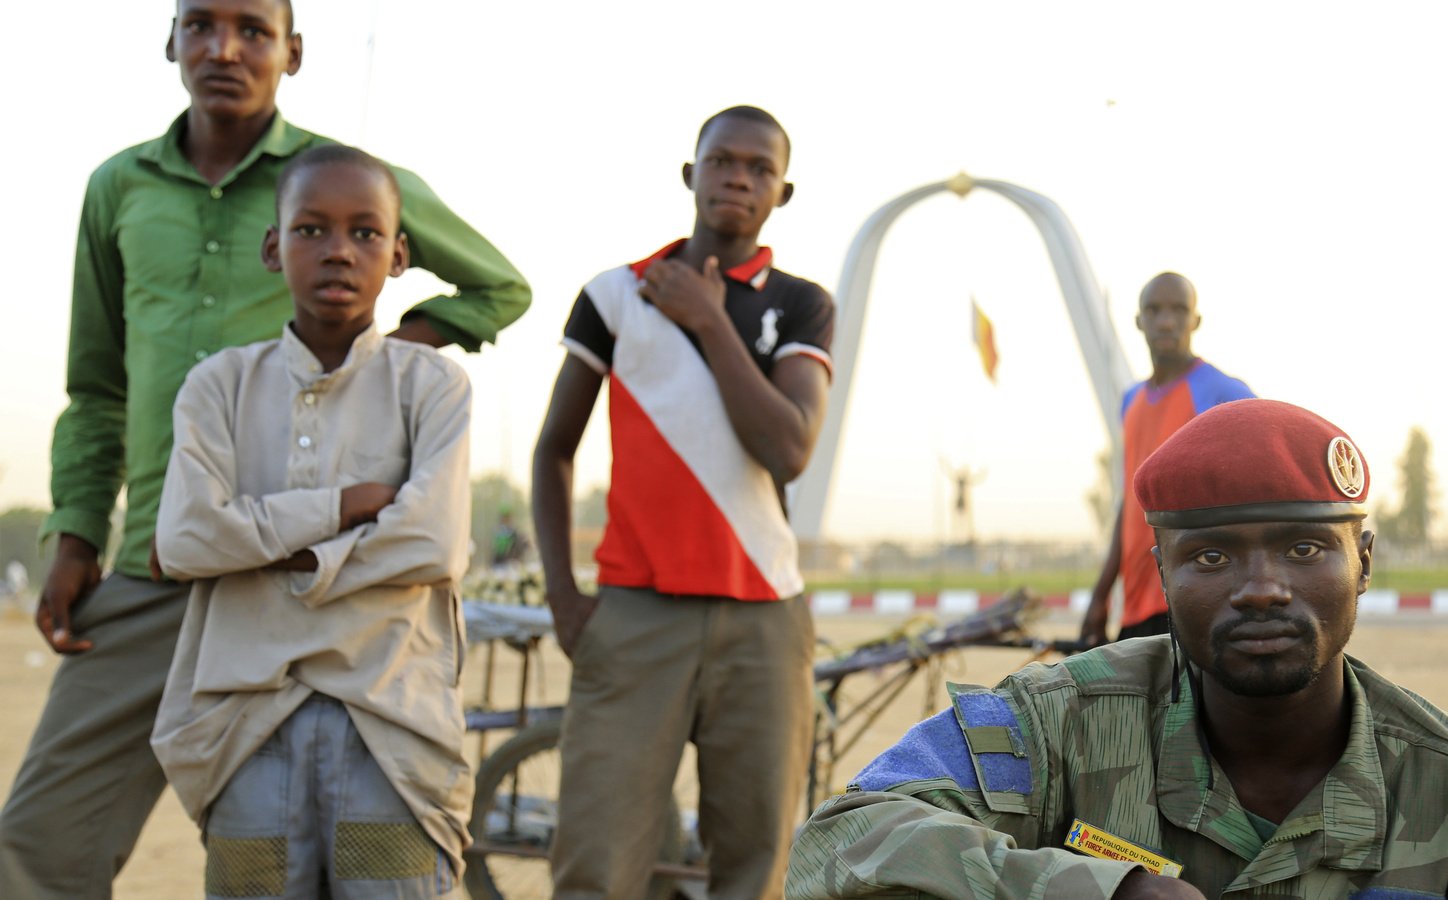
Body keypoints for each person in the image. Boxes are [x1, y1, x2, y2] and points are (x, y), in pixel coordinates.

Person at [1, 1, 529, 895]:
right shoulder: (118, 187)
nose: (224, 48)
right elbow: (96, 388)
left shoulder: (343, 181)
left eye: (253, 28)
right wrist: (77, 532)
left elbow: (497, 286)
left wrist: (384, 360)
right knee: (39, 845)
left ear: (293, 51)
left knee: (332, 856)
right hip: (158, 562)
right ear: (169, 40)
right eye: (201, 24)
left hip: (321, 590)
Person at [788, 399, 1448, 899]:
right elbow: (839, 840)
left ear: (1363, 562)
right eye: (1212, 556)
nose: (1261, 587)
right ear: (1161, 571)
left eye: (1304, 550)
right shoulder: (1061, 724)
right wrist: (1100, 892)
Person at [150, 144, 472, 896]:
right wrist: (337, 510)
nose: (338, 251)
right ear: (273, 247)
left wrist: (264, 546)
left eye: (365, 234)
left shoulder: (429, 386)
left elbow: (431, 541)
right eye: (311, 230)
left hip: (389, 725)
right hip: (245, 727)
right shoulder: (219, 386)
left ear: (398, 256)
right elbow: (186, 538)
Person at [532, 105, 834, 899]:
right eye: (722, 160)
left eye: (759, 168)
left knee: (754, 862)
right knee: (594, 861)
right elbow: (553, 451)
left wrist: (707, 319)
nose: (738, 177)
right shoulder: (615, 295)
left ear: (783, 191)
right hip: (636, 613)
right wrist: (564, 598)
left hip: (765, 616)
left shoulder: (801, 306)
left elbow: (789, 448)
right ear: (690, 174)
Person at [1081, 272, 1253, 645]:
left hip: (1195, 600)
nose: (1167, 320)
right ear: (1139, 321)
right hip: (1136, 605)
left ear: (1196, 320)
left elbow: (1255, 496)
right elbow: (1130, 503)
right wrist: (1100, 596)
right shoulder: (1131, 402)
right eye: (1154, 310)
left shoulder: (1225, 392)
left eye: (1178, 309)